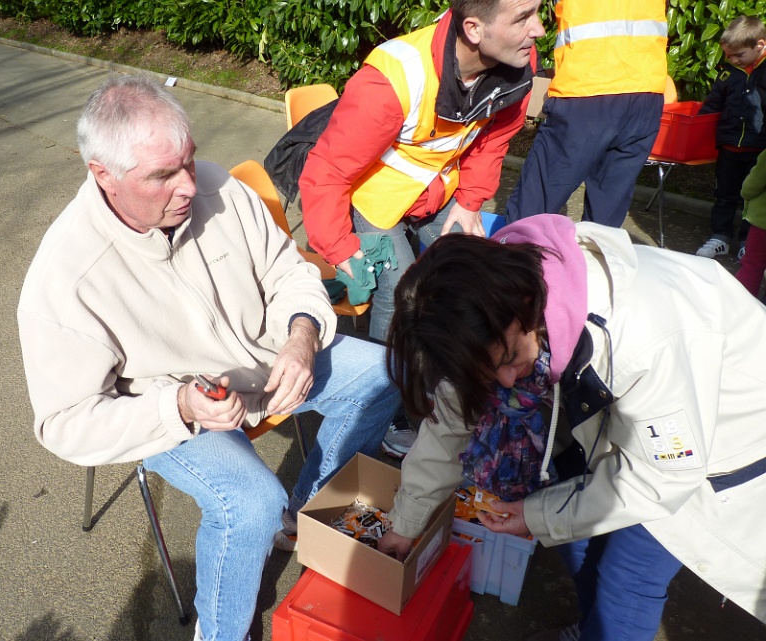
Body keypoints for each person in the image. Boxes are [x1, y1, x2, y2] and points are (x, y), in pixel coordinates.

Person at [16, 75, 400, 641]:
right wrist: (179, 406)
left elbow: (289, 271)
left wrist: (301, 334)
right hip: (172, 410)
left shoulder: (218, 186)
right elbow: (64, 422)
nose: (190, 186)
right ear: (103, 175)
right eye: (162, 176)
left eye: (189, 161)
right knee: (250, 503)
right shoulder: (65, 278)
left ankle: (301, 515)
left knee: (387, 375)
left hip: (268, 358)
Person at [377, 215, 766, 640]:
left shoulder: (646, 335)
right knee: (571, 536)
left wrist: (537, 514)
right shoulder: (478, 315)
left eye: (510, 358)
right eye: (488, 371)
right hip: (603, 431)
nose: (506, 381)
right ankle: (593, 627)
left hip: (711, 445)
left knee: (628, 577)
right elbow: (449, 426)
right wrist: (405, 524)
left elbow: (664, 476)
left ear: (527, 303)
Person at [299, 0, 544, 457]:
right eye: (523, 17)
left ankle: (453, 381)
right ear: (474, 29)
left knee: (473, 273)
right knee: (398, 290)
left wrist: (470, 201)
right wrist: (339, 246)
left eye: (537, 12)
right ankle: (384, 403)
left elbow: (491, 141)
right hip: (374, 193)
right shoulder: (393, 79)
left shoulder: (517, 66)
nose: (540, 29)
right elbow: (328, 171)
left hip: (436, 189)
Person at [504, 0, 668, 228]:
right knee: (605, 218)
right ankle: (594, 250)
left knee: (534, 206)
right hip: (646, 92)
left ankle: (517, 249)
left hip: (587, 89)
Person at [695, 15, 766, 260]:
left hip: (759, 150)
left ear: (760, 45)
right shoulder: (728, 74)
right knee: (724, 195)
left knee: (753, 199)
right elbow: (713, 104)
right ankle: (720, 236)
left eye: (739, 55)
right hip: (729, 147)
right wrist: (697, 124)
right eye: (729, 56)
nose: (733, 60)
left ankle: (748, 242)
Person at [736, 148, 766, 298]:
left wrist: (745, 193)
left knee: (752, 265)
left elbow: (752, 185)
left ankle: (740, 301)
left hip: (763, 222)